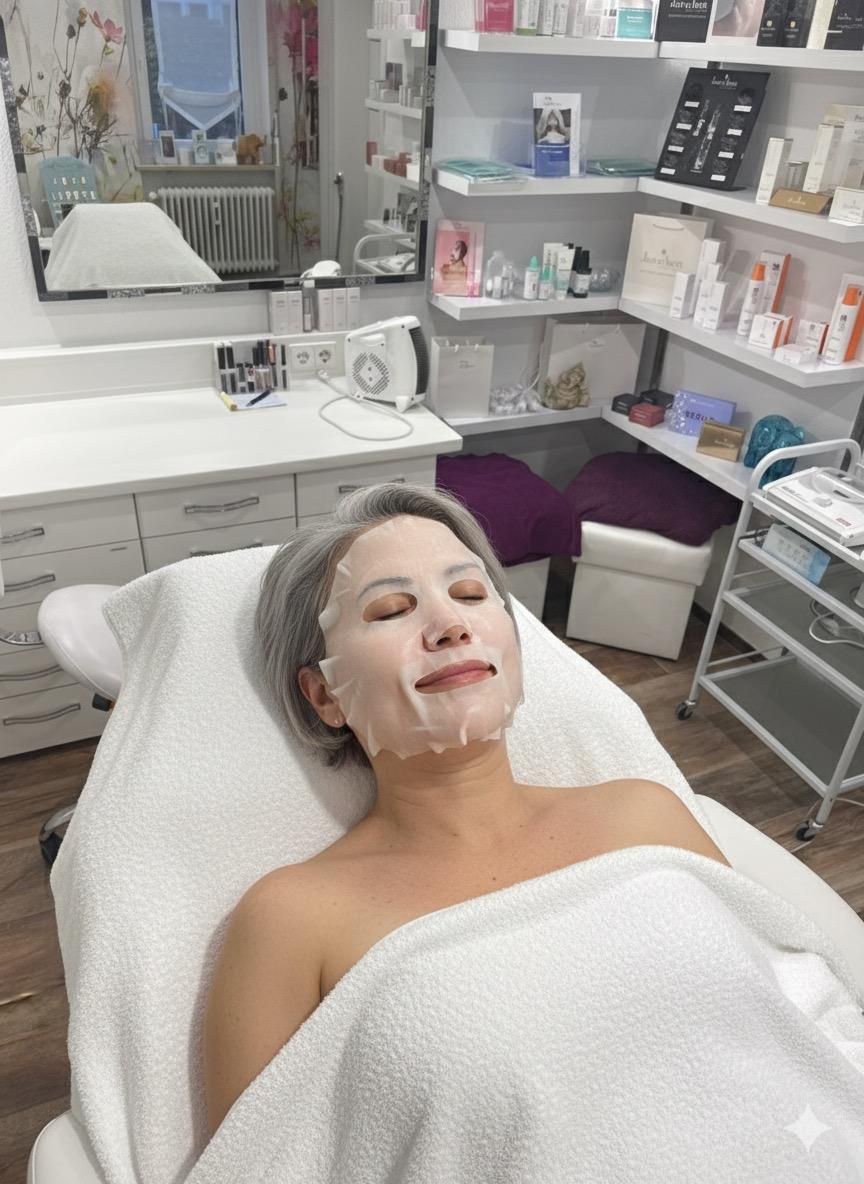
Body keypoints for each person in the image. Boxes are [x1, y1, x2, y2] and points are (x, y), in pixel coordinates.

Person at [202, 483, 728, 1138]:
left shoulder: (645, 816)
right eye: (391, 610)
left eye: (472, 595)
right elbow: (253, 1161)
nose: (451, 624)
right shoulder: (293, 919)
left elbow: (793, 1006)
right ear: (326, 695)